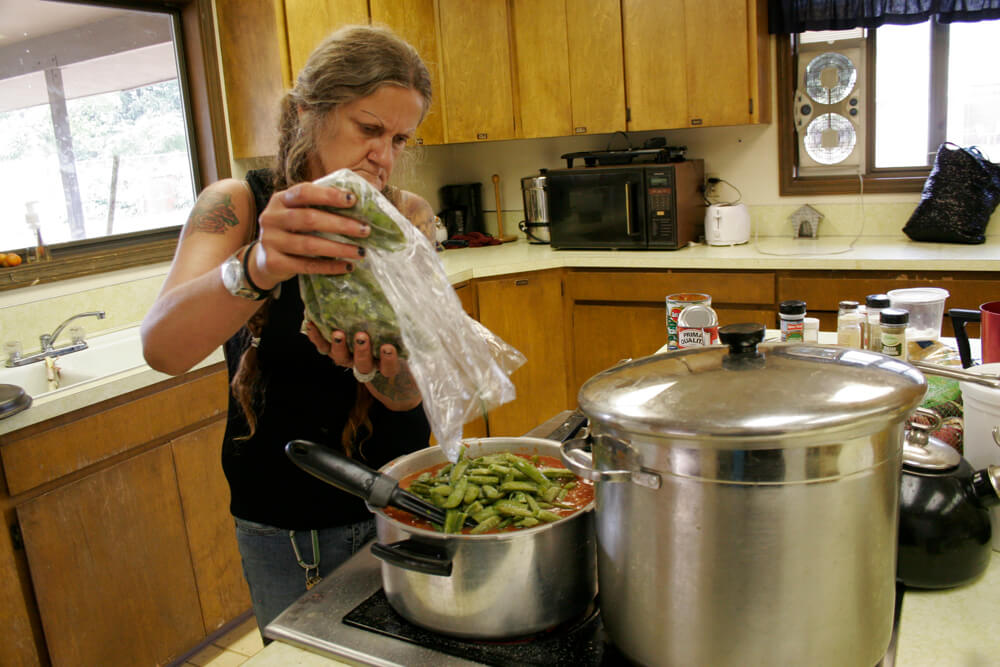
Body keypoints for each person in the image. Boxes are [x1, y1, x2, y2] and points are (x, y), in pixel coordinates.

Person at [140, 24, 435, 636]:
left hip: (403, 500)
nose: (384, 155)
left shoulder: (405, 216)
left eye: (401, 138)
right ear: (308, 114)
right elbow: (163, 348)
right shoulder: (238, 206)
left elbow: (410, 396)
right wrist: (260, 265)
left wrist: (378, 366)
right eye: (370, 128)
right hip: (288, 520)